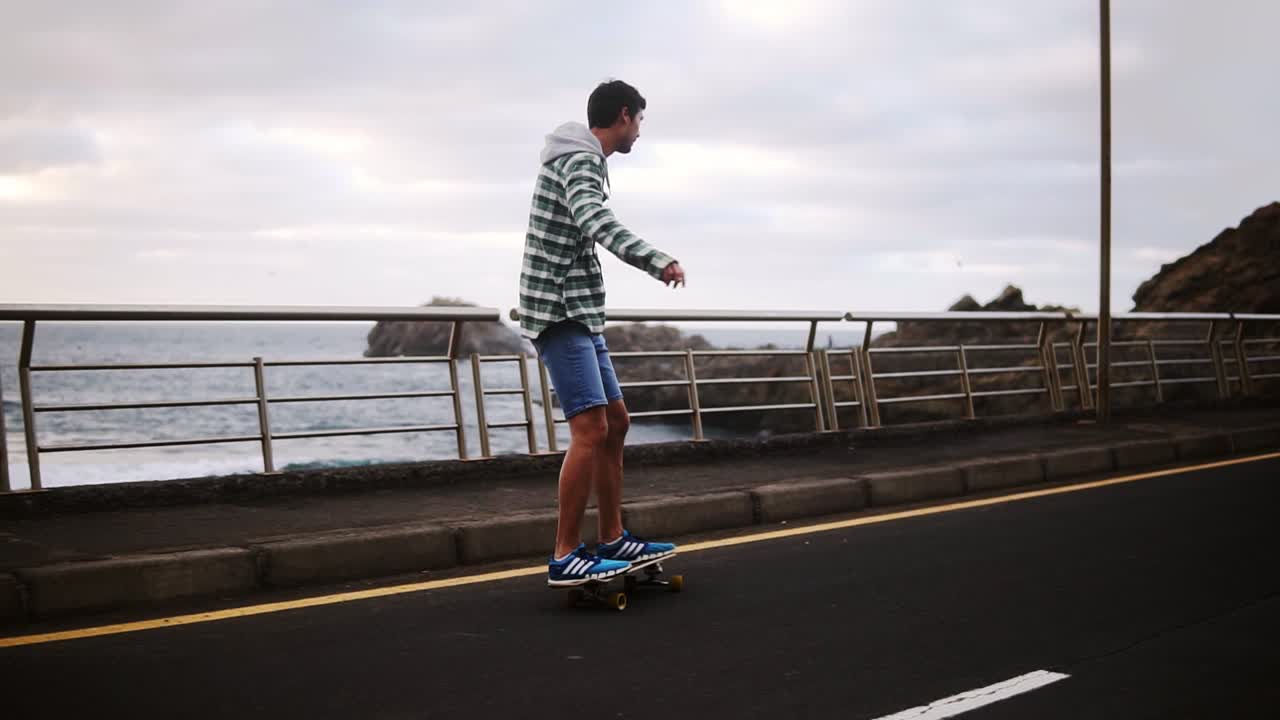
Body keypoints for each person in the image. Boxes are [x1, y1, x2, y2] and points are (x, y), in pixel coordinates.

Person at [518, 79, 686, 586]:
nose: (640, 132)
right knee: (590, 430)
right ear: (624, 115)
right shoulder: (581, 161)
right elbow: (596, 220)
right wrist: (656, 260)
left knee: (616, 421)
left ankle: (611, 536)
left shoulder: (578, 159)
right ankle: (566, 552)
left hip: (580, 312)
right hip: (561, 311)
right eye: (640, 120)